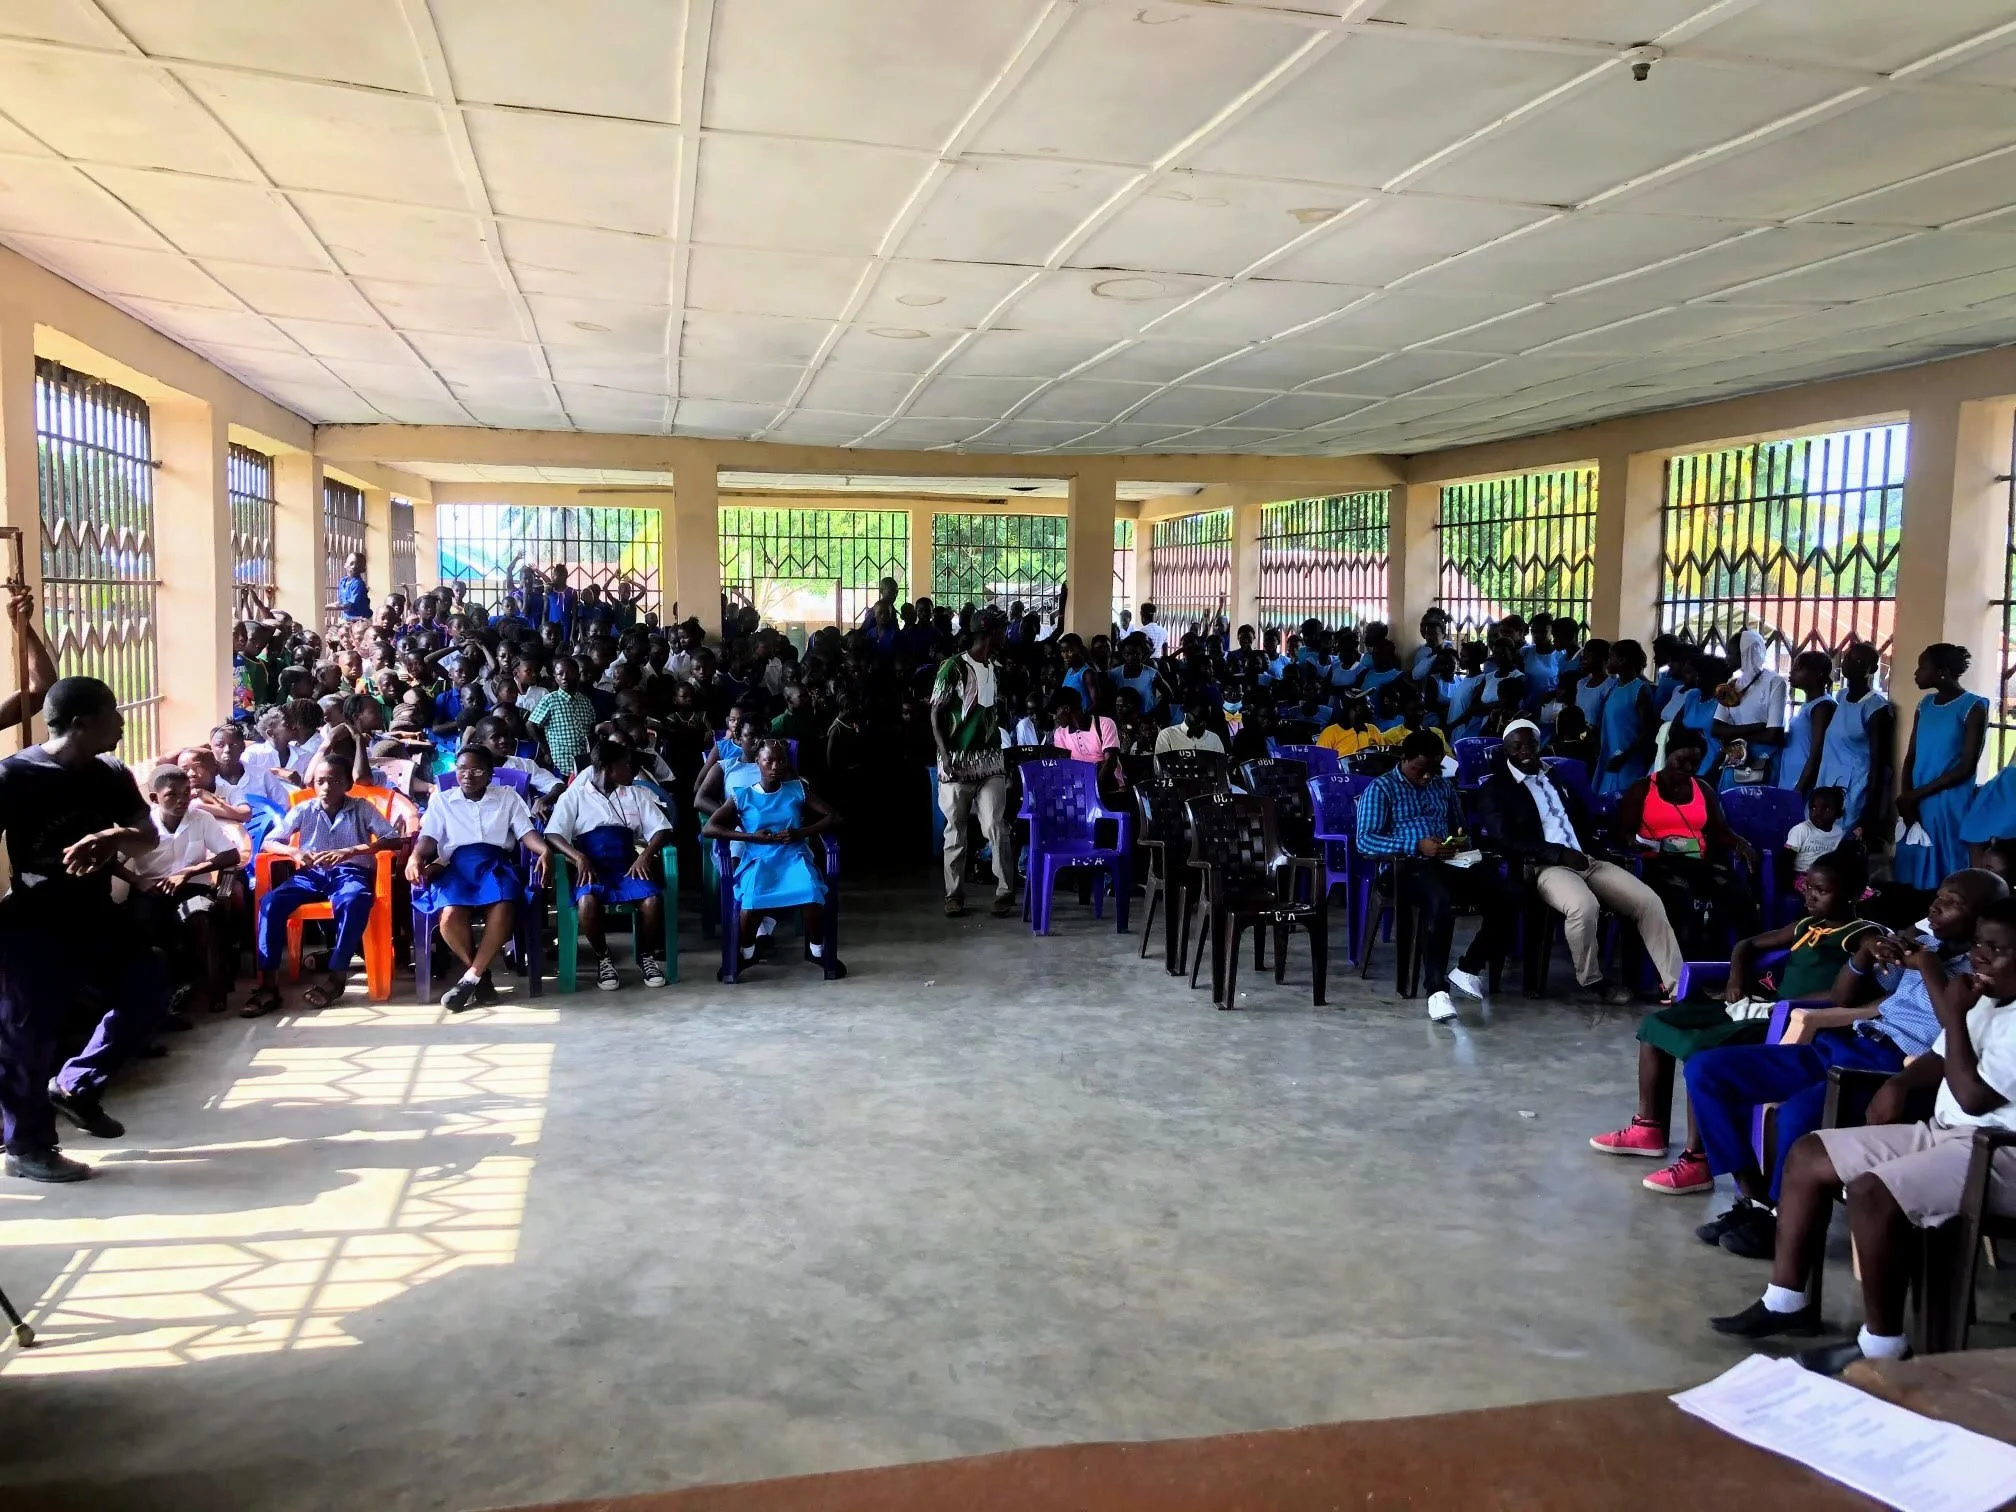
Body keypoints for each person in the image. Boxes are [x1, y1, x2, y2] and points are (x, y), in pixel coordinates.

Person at [1708, 894, 2016, 1370]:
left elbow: (1974, 1095)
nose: (1980, 957)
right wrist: (1900, 1082)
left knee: (1873, 1192)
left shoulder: (1979, 1006)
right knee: (1810, 1155)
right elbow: (1938, 1056)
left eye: (1996, 950)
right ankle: (1786, 1301)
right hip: (1947, 1132)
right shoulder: (1986, 997)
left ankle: (1883, 1346)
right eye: (1980, 946)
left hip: (1999, 1154)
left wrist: (1953, 1016)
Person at [1683, 867, 2007, 1260]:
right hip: (1850, 1043)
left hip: (1896, 1067)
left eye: (1954, 904)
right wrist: (1864, 954)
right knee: (1707, 1070)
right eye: (1939, 897)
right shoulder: (1923, 945)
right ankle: (1756, 1201)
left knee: (1800, 1111)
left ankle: (1782, 1220)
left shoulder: (1987, 974)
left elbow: (1952, 1030)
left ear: (1982, 921)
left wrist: (1928, 968)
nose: (1936, 907)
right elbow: (1843, 996)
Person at [1589, 849, 1877, 1196]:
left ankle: (1697, 1159)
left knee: (1704, 1053)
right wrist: (1735, 981)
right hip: (1757, 1005)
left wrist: (1784, 1005)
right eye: (1807, 887)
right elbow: (1747, 944)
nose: (1809, 896)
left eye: (1821, 890)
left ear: (1853, 893)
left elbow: (1848, 993)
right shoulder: (1806, 924)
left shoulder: (1861, 935)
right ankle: (1649, 1127)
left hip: (1787, 1021)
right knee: (1659, 1025)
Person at [0, 677, 168, 1181]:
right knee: (28, 1037)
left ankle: (76, 1084)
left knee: (148, 989)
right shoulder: (15, 776)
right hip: (34, 921)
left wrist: (114, 835)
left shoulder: (111, 773)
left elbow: (148, 838)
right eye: (112, 713)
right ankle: (28, 1146)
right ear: (81, 723)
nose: (121, 722)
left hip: (94, 913)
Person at [1473, 720, 1681, 1008]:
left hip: (1586, 859)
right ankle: (1593, 981)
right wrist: (1557, 854)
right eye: (1517, 746)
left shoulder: (1555, 776)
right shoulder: (1496, 788)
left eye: (1531, 743)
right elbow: (1504, 838)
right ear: (1506, 749)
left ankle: (1677, 985)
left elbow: (1583, 818)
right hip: (1546, 867)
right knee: (1583, 906)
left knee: (1647, 901)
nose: (1525, 751)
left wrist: (1603, 843)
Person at [1353, 729, 1520, 1024]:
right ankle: (1436, 989)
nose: (1427, 777)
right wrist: (1416, 846)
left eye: (1434, 770)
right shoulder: (1381, 789)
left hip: (1449, 863)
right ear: (1403, 759)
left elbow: (1462, 830)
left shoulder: (1443, 787)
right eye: (1421, 769)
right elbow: (1365, 841)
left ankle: (1468, 968)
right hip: (1405, 867)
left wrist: (1456, 843)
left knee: (1509, 892)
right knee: (1439, 900)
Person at [242, 756, 403, 1018]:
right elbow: (271, 842)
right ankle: (268, 985)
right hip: (311, 873)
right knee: (271, 902)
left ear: (348, 784)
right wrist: (294, 852)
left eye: (335, 781)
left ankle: (337, 976)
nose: (327, 787)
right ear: (314, 784)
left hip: (350, 871)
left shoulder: (361, 808)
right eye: (321, 781)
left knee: (355, 898)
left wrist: (354, 850)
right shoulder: (305, 809)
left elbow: (393, 840)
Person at [407, 745, 552, 1011]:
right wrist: (415, 857)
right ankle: (480, 976)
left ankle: (469, 979)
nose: (467, 775)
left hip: (495, 863)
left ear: (489, 774)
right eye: (462, 768)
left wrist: (543, 850)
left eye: (476, 770)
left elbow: (525, 832)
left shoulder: (507, 797)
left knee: (505, 905)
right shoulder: (442, 800)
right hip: (457, 867)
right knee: (449, 917)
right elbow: (428, 838)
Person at [703, 739, 844, 978]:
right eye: (769, 760)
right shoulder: (742, 796)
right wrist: (750, 837)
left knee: (811, 892)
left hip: (793, 856)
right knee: (752, 899)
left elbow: (833, 816)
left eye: (781, 760)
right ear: (758, 761)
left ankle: (817, 950)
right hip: (759, 859)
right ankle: (747, 953)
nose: (775, 766)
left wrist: (801, 832)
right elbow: (710, 828)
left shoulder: (797, 789)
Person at [543, 740, 675, 992]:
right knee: (587, 902)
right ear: (607, 767)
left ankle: (646, 956)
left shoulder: (636, 794)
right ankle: (603, 958)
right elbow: (554, 834)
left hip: (628, 864)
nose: (631, 770)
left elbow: (662, 829)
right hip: (591, 865)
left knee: (652, 900)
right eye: (625, 765)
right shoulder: (575, 795)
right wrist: (578, 857)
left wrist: (645, 855)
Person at [1616, 724, 1759, 956]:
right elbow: (1623, 830)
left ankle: (1746, 968)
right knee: (1681, 901)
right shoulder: (1642, 789)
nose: (1688, 768)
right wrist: (1631, 842)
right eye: (1681, 760)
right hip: (1658, 862)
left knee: (1740, 895)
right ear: (1668, 755)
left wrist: (1740, 843)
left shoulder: (1703, 789)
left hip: (1698, 862)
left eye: (1695, 763)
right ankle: (1681, 976)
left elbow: (1720, 830)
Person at [124, 763, 243, 1017]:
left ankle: (213, 989)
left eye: (186, 792)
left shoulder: (201, 818)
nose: (182, 799)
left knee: (202, 916)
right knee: (139, 923)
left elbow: (230, 854)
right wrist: (135, 880)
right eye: (172, 794)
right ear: (155, 798)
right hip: (151, 889)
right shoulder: (142, 826)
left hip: (191, 888)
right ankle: (159, 995)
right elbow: (111, 858)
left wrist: (188, 872)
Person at [931, 613, 1016, 919]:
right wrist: (945, 754)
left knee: (996, 825)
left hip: (990, 760)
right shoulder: (952, 667)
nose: (1007, 635)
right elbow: (936, 714)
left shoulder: (996, 668)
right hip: (957, 761)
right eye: (1002, 630)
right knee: (955, 831)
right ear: (989, 633)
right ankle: (954, 894)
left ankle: (1005, 890)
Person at [1893, 644, 1988, 894]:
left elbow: (1966, 767)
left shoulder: (1973, 707)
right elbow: (1911, 755)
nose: (1916, 673)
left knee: (1943, 867)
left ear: (1943, 672)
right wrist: (1907, 796)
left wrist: (1916, 795)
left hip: (1947, 801)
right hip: (1916, 800)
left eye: (1922, 667)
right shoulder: (1924, 705)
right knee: (1912, 866)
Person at [1817, 640, 1891, 843]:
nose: (1850, 663)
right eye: (1848, 657)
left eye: (1859, 660)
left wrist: (1870, 811)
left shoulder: (1876, 708)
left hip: (1854, 786)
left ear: (1873, 668)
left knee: (1843, 842)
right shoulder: (1841, 697)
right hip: (1828, 780)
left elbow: (1879, 762)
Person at [1712, 628, 1788, 786]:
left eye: (1731, 653)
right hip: (1736, 758)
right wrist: (1757, 727)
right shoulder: (1733, 685)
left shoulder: (1774, 682)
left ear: (1746, 653)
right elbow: (1716, 729)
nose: (1727, 658)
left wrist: (1733, 734)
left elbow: (1774, 735)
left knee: (1755, 805)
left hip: (1762, 761)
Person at [1594, 639, 1657, 796]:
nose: (1607, 661)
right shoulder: (1615, 687)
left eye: (1610, 657)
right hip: (1610, 756)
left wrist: (1625, 755)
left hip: (1627, 760)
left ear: (1622, 660)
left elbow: (1648, 729)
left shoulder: (1639, 689)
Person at [528, 655, 600, 776]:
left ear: (577, 675)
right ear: (555, 678)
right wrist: (546, 751)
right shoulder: (550, 700)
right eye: (560, 674)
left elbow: (592, 727)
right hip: (561, 762)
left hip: (584, 761)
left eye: (569, 673)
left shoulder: (585, 701)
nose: (565, 677)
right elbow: (531, 725)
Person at [1777, 650, 1836, 795]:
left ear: (1817, 674)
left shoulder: (1823, 707)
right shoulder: (1809, 705)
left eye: (1798, 668)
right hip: (1791, 779)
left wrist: (1799, 789)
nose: (1792, 672)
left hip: (1803, 784)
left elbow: (1817, 753)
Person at [1784, 785, 1848, 881]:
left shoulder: (1838, 832)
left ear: (1838, 813)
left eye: (1826, 809)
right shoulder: (1801, 830)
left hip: (1826, 877)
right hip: (1802, 876)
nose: (1817, 813)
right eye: (1813, 808)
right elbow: (1786, 859)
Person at [1153, 701, 1225, 756]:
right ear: (1187, 713)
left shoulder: (1214, 739)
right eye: (1198, 718)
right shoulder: (1167, 735)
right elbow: (1162, 768)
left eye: (1205, 719)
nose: (1202, 723)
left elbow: (1221, 768)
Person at [331, 552, 371, 624]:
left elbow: (348, 606)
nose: (354, 566)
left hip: (360, 620)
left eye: (358, 564)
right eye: (351, 563)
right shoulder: (343, 581)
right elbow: (340, 602)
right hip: (347, 619)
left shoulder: (358, 584)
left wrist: (326, 607)